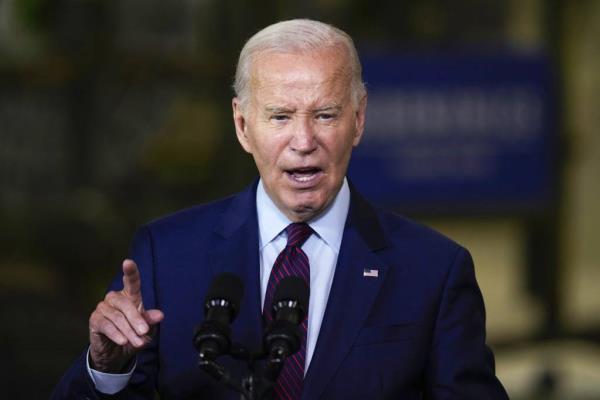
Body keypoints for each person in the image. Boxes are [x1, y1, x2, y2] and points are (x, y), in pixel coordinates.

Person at [52, 19, 508, 399]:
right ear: (242, 125)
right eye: (280, 117)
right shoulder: (166, 256)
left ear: (360, 119)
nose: (304, 142)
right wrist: (106, 369)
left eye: (325, 115)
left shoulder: (433, 270)